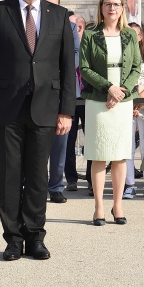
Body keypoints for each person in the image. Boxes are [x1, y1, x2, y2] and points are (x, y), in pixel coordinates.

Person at [0, 0, 75, 261]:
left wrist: (66, 111)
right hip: (7, 108)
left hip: (45, 107)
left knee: (36, 176)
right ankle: (12, 238)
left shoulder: (59, 15)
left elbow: (67, 66)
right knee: (8, 176)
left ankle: (35, 237)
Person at [80, 0, 142, 226]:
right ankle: (98, 208)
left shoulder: (129, 35)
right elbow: (84, 68)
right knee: (98, 155)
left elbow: (136, 67)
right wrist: (109, 88)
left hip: (123, 102)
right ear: (101, 7)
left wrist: (121, 91)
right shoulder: (90, 34)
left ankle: (118, 206)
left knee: (119, 156)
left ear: (122, 8)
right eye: (107, 4)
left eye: (116, 4)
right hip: (98, 100)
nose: (112, 8)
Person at [42, 0, 81, 204]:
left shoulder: (70, 26)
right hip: (36, 91)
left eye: (53, 5)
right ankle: (37, 186)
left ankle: (56, 185)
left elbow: (73, 57)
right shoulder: (31, 26)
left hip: (60, 91)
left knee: (60, 142)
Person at [123, 21, 144, 199]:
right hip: (127, 105)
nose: (133, 37)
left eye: (136, 34)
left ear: (142, 36)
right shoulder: (122, 54)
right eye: (129, 33)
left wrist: (141, 98)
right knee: (127, 146)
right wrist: (132, 101)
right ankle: (129, 184)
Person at [65, 14, 87, 192]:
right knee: (68, 140)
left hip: (87, 97)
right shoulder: (66, 48)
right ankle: (71, 178)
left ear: (78, 28)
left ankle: (91, 177)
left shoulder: (89, 45)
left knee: (92, 139)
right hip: (70, 97)